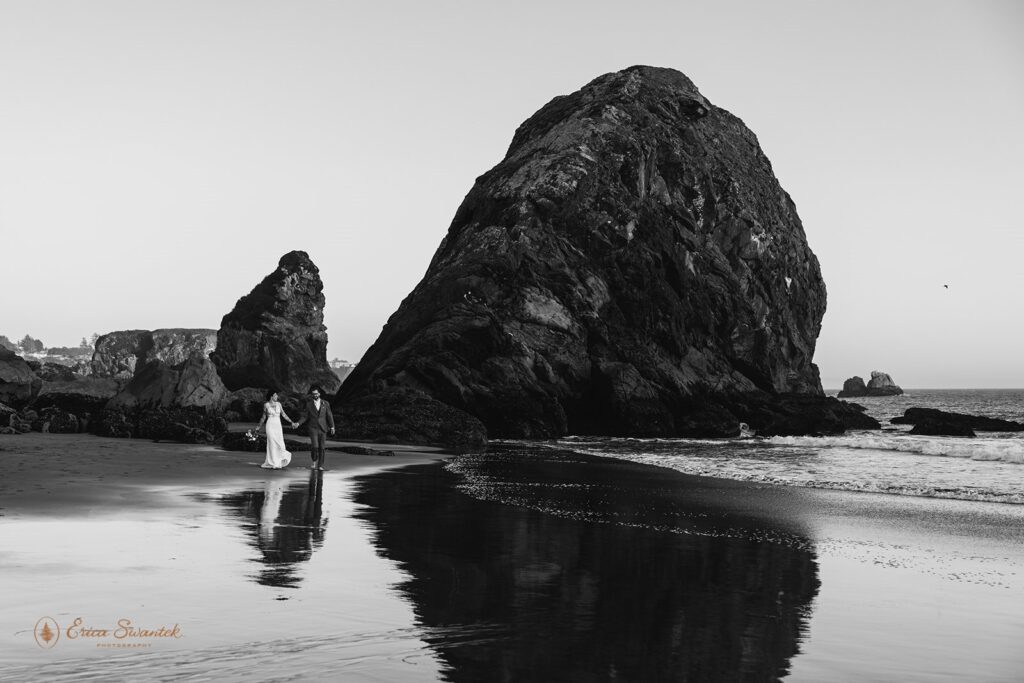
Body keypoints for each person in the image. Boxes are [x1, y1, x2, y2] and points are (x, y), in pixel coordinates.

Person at [295, 385, 335, 470]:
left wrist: (332, 427)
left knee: (322, 447)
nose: (315, 395)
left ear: (319, 394)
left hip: (323, 428)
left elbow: (329, 415)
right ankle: (314, 461)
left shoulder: (326, 403)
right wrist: (298, 423)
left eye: (316, 394)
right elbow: (305, 417)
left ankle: (320, 465)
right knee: (315, 446)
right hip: (313, 428)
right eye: (313, 394)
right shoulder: (309, 405)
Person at [256, 389, 297, 469]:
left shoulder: (279, 404)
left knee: (280, 443)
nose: (277, 396)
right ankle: (272, 462)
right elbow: (263, 417)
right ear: (271, 396)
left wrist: (291, 422)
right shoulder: (266, 405)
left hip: (278, 426)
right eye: (275, 395)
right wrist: (258, 427)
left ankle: (278, 461)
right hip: (270, 425)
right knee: (271, 443)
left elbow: (284, 414)